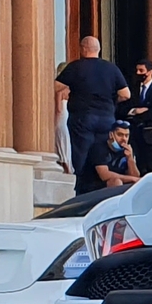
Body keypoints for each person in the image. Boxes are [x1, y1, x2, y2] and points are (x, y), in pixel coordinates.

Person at [53, 36, 128, 195]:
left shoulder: (76, 67)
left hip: (82, 117)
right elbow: (125, 94)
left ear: (83, 49)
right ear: (98, 50)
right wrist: (112, 101)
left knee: (81, 150)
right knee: (101, 150)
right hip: (107, 117)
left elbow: (55, 86)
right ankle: (99, 184)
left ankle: (80, 187)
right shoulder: (111, 68)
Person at [122, 60, 152, 175]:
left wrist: (135, 115)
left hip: (150, 135)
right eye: (137, 70)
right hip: (134, 134)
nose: (138, 73)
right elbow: (122, 109)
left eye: (141, 70)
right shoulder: (132, 90)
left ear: (150, 72)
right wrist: (135, 110)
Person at [91, 121, 142, 188]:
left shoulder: (127, 150)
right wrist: (131, 178)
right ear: (111, 135)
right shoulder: (99, 148)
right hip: (94, 187)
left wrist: (130, 158)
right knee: (116, 181)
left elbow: (135, 177)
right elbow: (104, 175)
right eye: (120, 135)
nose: (124, 139)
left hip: (118, 186)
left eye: (126, 135)